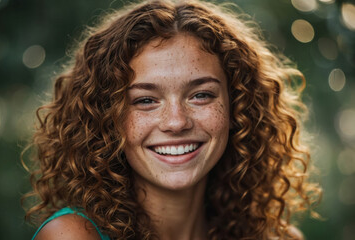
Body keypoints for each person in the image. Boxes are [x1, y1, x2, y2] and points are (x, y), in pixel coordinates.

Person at [23, 0, 321, 239]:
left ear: (237, 109)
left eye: (201, 95)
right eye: (146, 101)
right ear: (108, 119)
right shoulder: (73, 235)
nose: (176, 122)